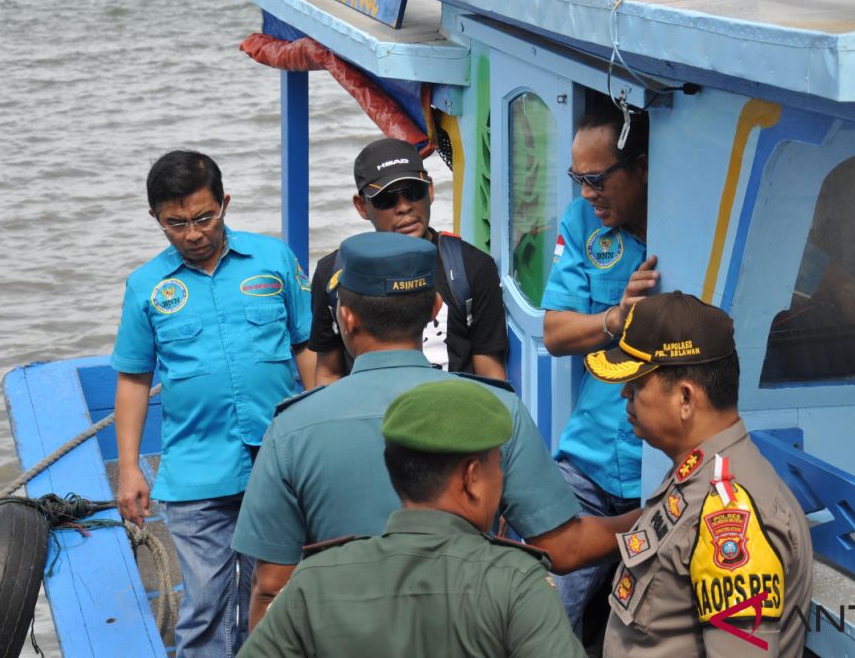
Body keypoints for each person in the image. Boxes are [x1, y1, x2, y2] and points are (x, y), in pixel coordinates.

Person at [232, 231, 638, 627]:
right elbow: (564, 549)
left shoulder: (290, 427)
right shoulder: (498, 408)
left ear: (347, 317)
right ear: (434, 310)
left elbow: (270, 589)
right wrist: (656, 511)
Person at [111, 150, 314, 657]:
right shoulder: (146, 287)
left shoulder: (274, 260)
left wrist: (320, 425)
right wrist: (131, 469)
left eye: (205, 217)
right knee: (206, 601)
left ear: (225, 203)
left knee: (277, 590)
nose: (193, 233)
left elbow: (306, 346)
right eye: (175, 223)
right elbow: (134, 380)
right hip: (197, 470)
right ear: (155, 218)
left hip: (279, 460)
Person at [236, 379, 586, 658]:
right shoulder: (517, 583)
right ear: (472, 478)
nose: (502, 479)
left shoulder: (314, 581)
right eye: (498, 466)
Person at [585, 292, 813, 658]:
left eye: (639, 383)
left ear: (687, 398)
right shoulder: (697, 474)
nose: (625, 392)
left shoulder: (732, 517)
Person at [541, 93, 657, 642]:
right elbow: (556, 332)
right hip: (586, 461)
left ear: (641, 168)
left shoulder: (696, 221)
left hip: (663, 475)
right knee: (541, 612)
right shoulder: (583, 221)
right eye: (577, 179)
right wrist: (616, 318)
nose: (587, 194)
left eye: (598, 180)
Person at [307, 137, 507, 383]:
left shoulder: (473, 268)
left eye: (413, 192)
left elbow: (491, 374)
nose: (403, 207)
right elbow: (329, 371)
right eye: (386, 199)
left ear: (430, 190)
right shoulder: (333, 274)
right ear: (361, 206)